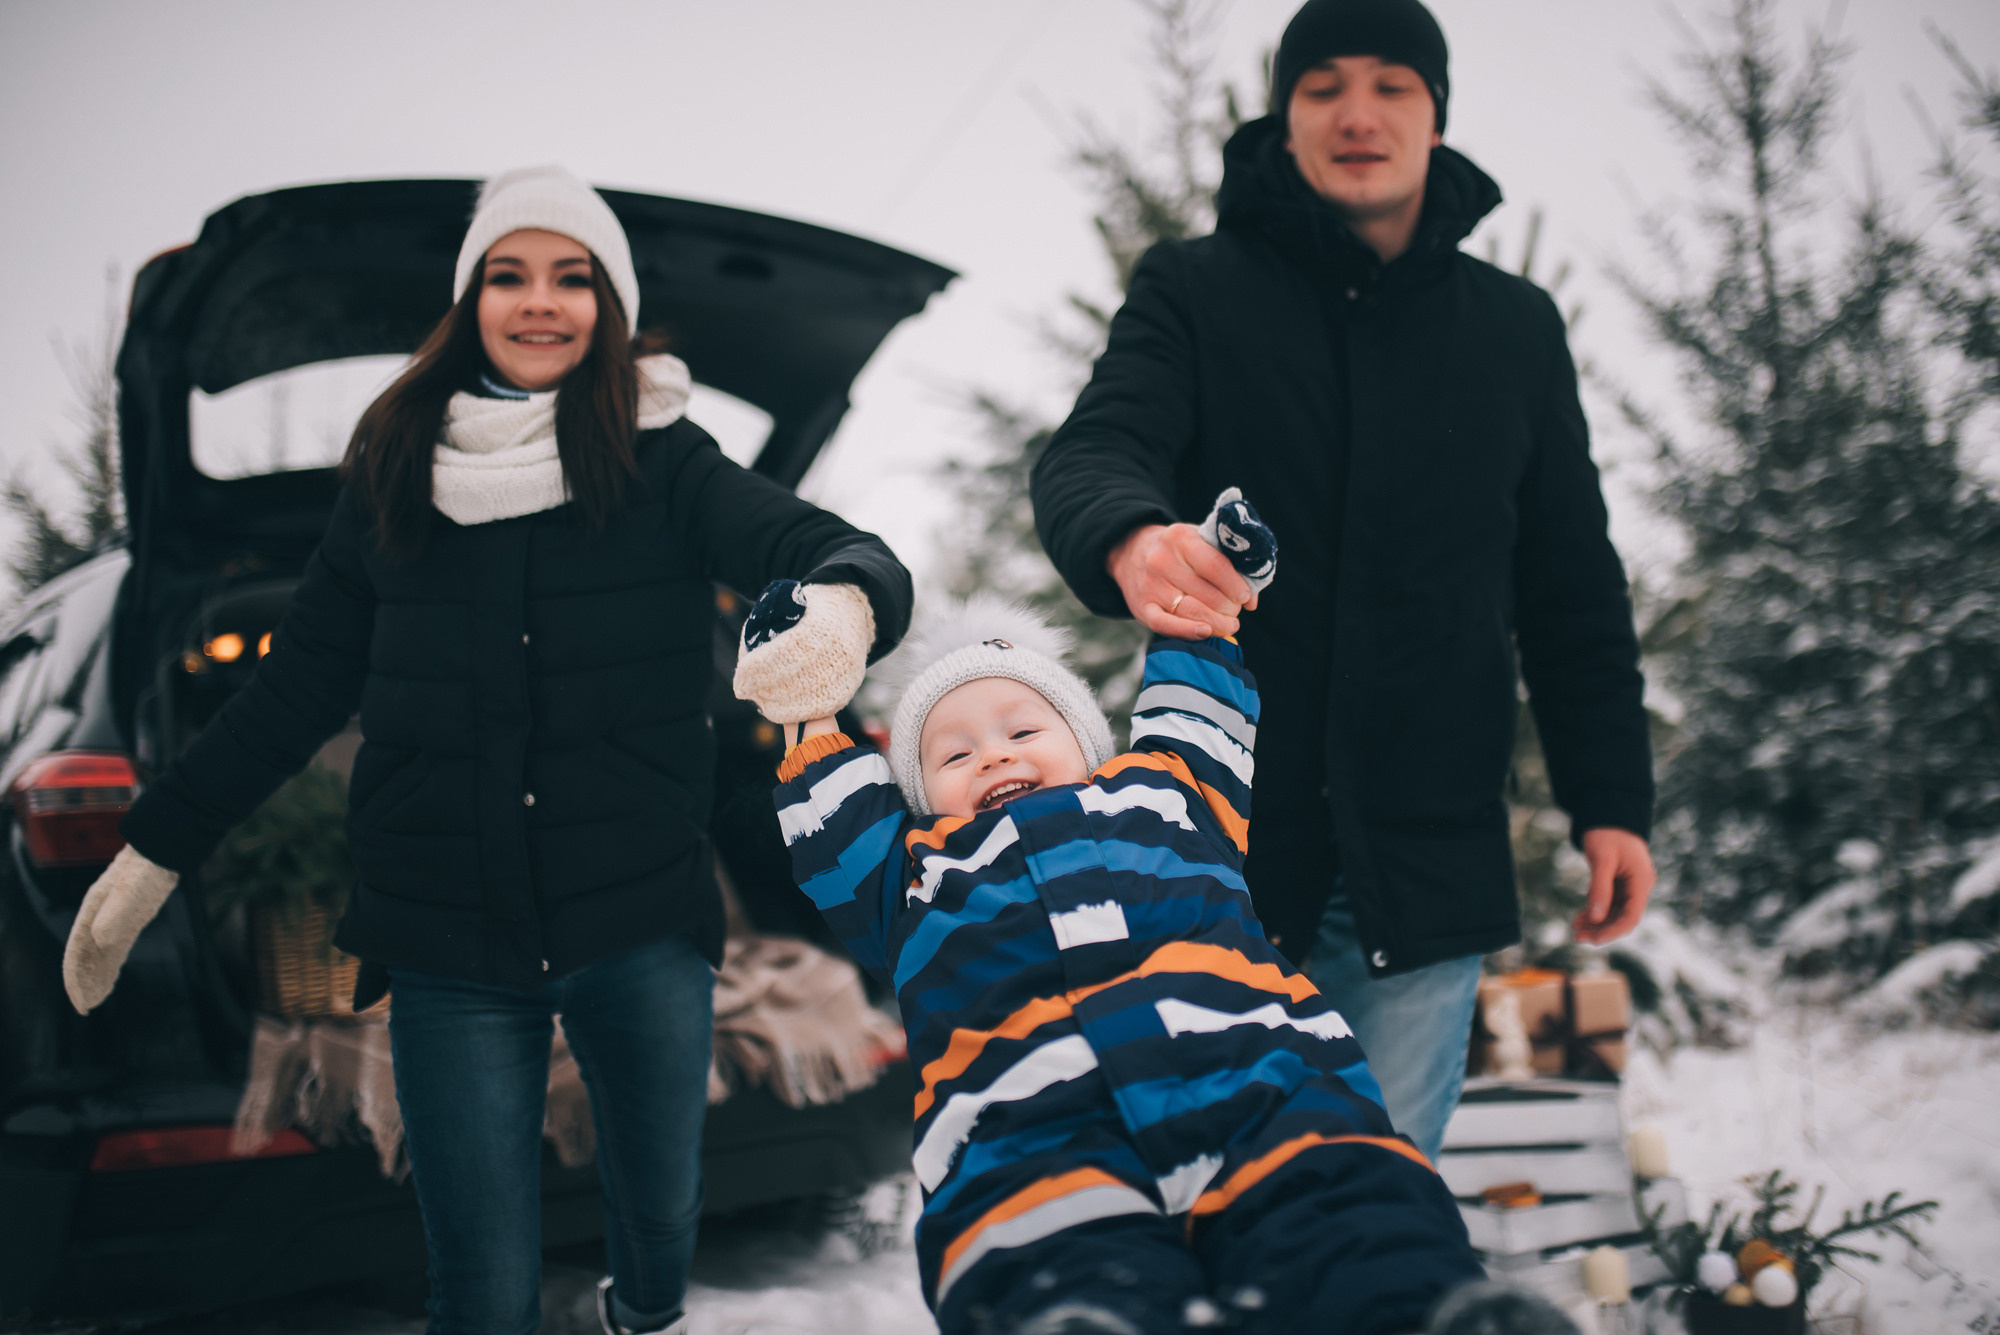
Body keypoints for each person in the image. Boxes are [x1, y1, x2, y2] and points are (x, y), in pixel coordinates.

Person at [60, 166, 911, 1335]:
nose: (539, 302)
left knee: (659, 1217)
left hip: (639, 925)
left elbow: (831, 546)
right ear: (471, 305)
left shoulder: (667, 461)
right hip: (449, 940)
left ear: (607, 306)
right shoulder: (391, 478)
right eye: (507, 275)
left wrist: (843, 606)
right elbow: (289, 694)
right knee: (480, 1279)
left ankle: (643, 1311)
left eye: (572, 277)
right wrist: (150, 854)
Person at [1029, 0, 1656, 1161]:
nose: (1355, 113)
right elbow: (1092, 449)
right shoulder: (1194, 288)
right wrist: (1129, 539)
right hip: (1217, 851)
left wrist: (1610, 798)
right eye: (1321, 86)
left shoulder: (1513, 329)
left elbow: (1568, 583)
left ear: (1434, 114)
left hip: (1424, 854)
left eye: (1389, 85)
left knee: (1378, 1190)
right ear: (1283, 113)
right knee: (1209, 1198)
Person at [732, 492, 1483, 1335]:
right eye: (954, 751)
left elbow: (1197, 691)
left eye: (1023, 726)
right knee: (1058, 1271)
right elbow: (830, 812)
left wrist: (1210, 583)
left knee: (1350, 1222)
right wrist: (803, 701)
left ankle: (1428, 1313)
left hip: (1259, 1089)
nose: (996, 753)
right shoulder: (907, 876)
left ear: (1088, 740)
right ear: (918, 794)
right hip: (1036, 1141)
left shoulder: (1168, 790)